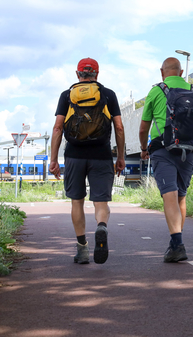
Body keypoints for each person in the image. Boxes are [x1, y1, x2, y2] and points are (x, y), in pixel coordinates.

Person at [50, 58, 125, 265]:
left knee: (77, 201)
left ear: (78, 74)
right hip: (101, 155)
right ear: (97, 75)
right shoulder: (108, 94)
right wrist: (120, 157)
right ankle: (101, 225)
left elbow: (57, 128)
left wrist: (53, 159)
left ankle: (82, 249)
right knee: (101, 201)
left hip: (74, 155)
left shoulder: (67, 95)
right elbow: (119, 127)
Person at [139, 57, 193, 263]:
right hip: (190, 150)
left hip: (163, 149)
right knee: (181, 195)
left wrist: (144, 149)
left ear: (162, 72)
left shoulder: (156, 91)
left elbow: (144, 127)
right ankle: (175, 243)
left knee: (169, 195)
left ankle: (177, 244)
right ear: (181, 73)